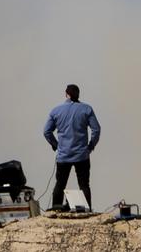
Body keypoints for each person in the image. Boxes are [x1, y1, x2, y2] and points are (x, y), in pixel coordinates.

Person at [42, 83, 101, 211]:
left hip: (63, 156)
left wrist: (56, 145)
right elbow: (96, 129)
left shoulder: (56, 111)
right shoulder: (87, 109)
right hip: (82, 155)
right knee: (84, 185)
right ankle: (87, 210)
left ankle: (55, 210)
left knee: (60, 184)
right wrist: (90, 146)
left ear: (66, 94)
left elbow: (46, 131)